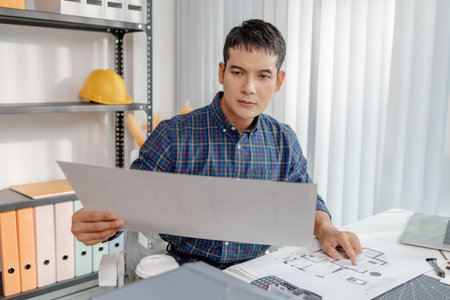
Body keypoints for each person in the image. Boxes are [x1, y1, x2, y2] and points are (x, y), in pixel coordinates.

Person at [72, 19, 362, 269]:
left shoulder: (283, 139)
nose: (249, 87)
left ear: (278, 81)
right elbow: (126, 203)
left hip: (254, 272)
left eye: (263, 76)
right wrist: (99, 225)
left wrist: (325, 228)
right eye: (238, 73)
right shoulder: (174, 134)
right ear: (222, 72)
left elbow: (306, 198)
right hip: (184, 270)